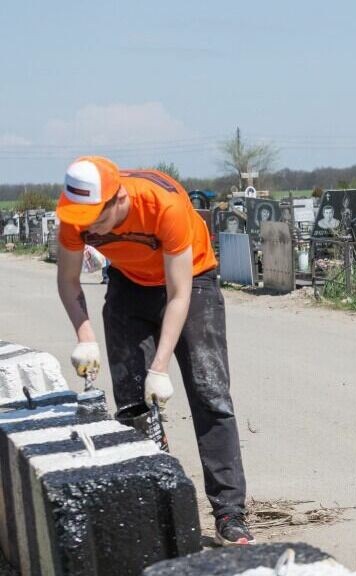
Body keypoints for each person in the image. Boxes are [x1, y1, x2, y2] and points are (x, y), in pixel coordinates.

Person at [55, 157, 253, 546]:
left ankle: (230, 511)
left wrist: (160, 366)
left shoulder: (165, 205)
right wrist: (85, 337)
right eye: (81, 217)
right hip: (129, 284)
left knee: (209, 393)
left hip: (192, 282)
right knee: (132, 403)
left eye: (95, 216)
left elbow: (178, 295)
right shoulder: (75, 216)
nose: (88, 226)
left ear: (117, 199)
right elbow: (67, 280)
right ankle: (149, 509)